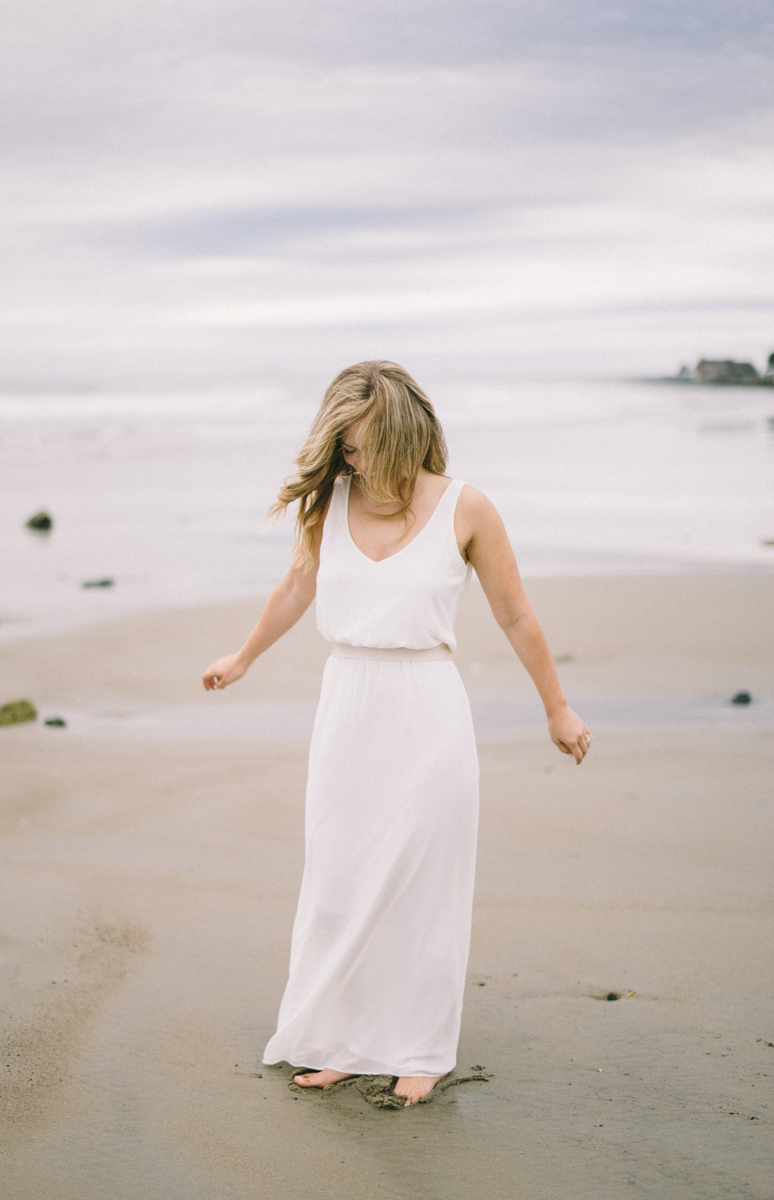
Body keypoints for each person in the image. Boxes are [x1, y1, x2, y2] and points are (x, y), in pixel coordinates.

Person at [201, 361, 590, 1107]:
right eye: (343, 448)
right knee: (341, 882)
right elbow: (296, 587)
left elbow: (515, 615)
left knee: (421, 883)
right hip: (347, 707)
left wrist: (557, 708)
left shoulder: (466, 509)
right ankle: (342, 1040)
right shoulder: (330, 505)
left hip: (427, 709)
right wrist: (243, 656)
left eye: (365, 445)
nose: (354, 461)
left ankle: (419, 1049)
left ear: (406, 434)